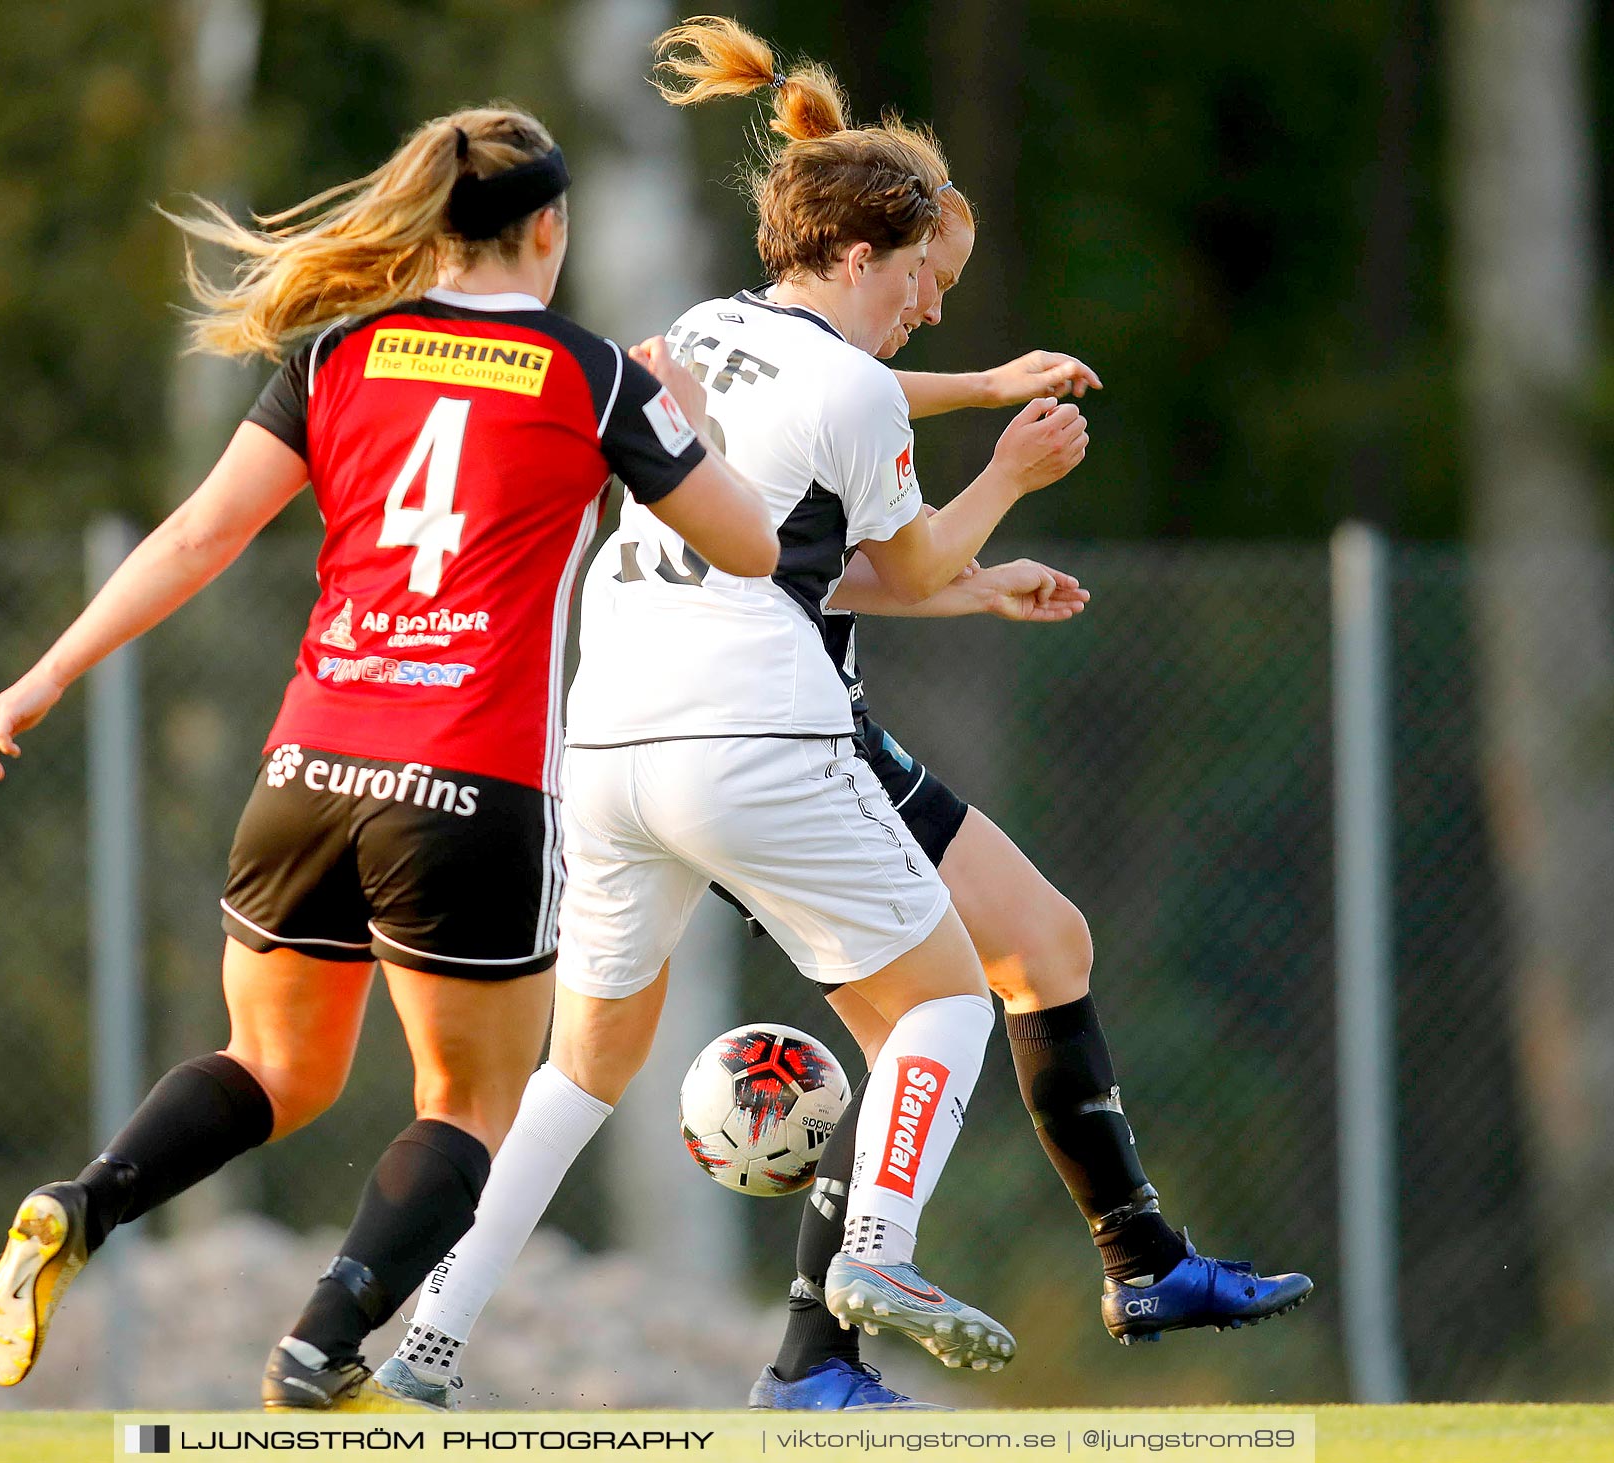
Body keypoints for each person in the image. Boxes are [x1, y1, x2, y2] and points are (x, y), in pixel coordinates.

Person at [380, 19, 1309, 1415]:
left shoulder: (700, 332)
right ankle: (864, 1278)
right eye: (926, 279)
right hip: (763, 733)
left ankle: (432, 1340)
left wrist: (976, 529)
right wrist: (1007, 471)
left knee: (598, 1065)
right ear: (867, 254)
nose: (934, 310)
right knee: (940, 1004)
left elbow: (833, 501)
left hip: (610, 739)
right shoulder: (859, 383)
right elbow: (911, 541)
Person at [0, 104, 777, 1413]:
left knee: (274, 1068)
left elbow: (200, 537)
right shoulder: (590, 373)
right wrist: (687, 414)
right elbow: (749, 547)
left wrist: (43, 676)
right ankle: (322, 1347)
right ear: (550, 227)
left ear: (432, 223)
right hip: (471, 784)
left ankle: (83, 1201)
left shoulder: (338, 354)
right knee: (473, 1105)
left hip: (309, 773)